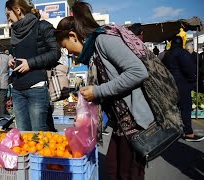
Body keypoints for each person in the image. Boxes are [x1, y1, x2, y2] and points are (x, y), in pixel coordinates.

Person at [55, 1, 154, 179]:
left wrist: (98, 91)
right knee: (112, 169)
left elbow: (138, 72)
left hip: (134, 124)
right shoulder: (93, 52)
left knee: (128, 173)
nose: (69, 53)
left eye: (65, 47)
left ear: (73, 35)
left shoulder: (104, 40)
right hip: (120, 124)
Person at [5, 0, 60, 131]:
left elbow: (55, 53)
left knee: (37, 134)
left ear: (18, 10)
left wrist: (30, 63)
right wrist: (12, 60)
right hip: (17, 88)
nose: (7, 18)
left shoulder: (42, 26)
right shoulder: (14, 32)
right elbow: (20, 54)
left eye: (8, 14)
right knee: (23, 134)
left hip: (36, 87)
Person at [163, 36, 204, 142]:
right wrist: (192, 81)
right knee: (185, 109)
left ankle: (173, 130)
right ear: (181, 43)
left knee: (174, 109)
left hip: (170, 85)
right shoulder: (182, 53)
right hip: (182, 85)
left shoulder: (167, 54)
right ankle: (189, 133)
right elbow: (190, 69)